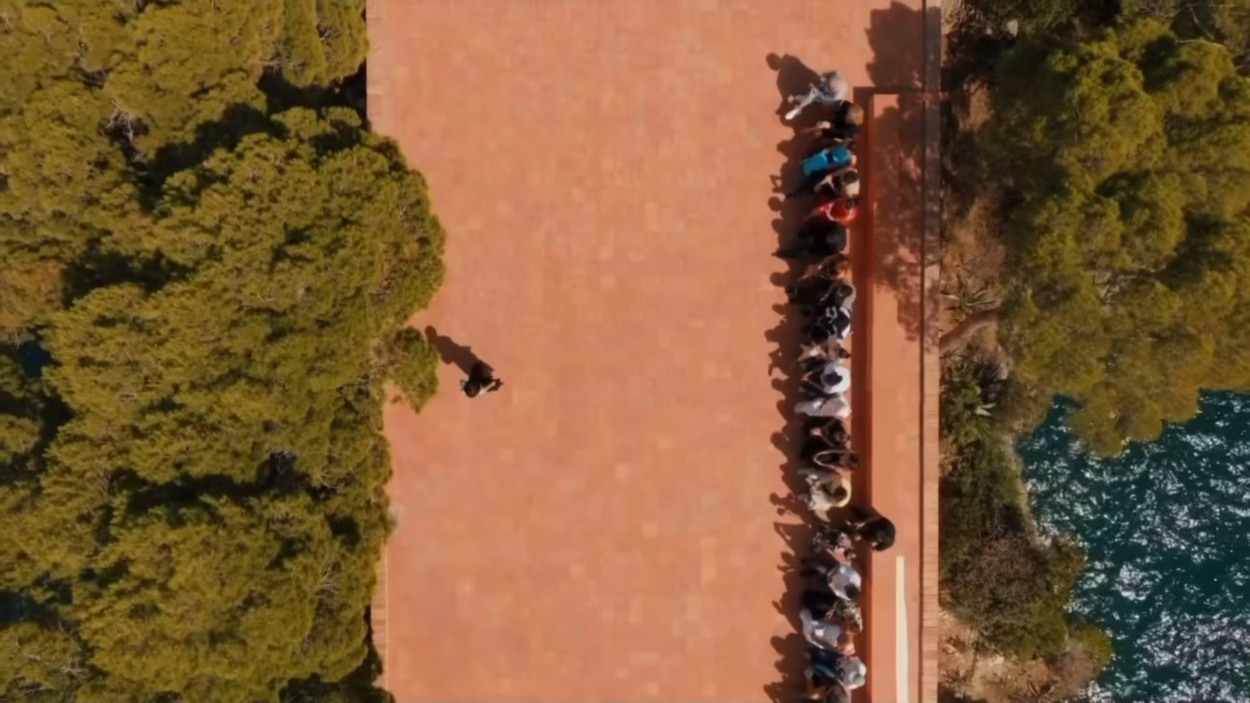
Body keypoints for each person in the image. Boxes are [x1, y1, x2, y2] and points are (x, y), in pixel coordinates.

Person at [785, 70, 850, 121]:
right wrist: (814, 81)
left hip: (827, 100)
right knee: (818, 82)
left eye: (829, 87)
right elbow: (824, 75)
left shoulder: (836, 97)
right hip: (827, 90)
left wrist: (798, 98)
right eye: (828, 83)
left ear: (834, 90)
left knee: (812, 95)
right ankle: (801, 103)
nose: (827, 86)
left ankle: (799, 105)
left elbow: (818, 95)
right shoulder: (835, 74)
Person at [775, 220, 848, 259]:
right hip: (822, 235)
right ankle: (784, 253)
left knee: (806, 253)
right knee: (807, 252)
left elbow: (820, 253)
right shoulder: (836, 226)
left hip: (823, 245)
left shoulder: (835, 248)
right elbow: (820, 224)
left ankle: (785, 253)